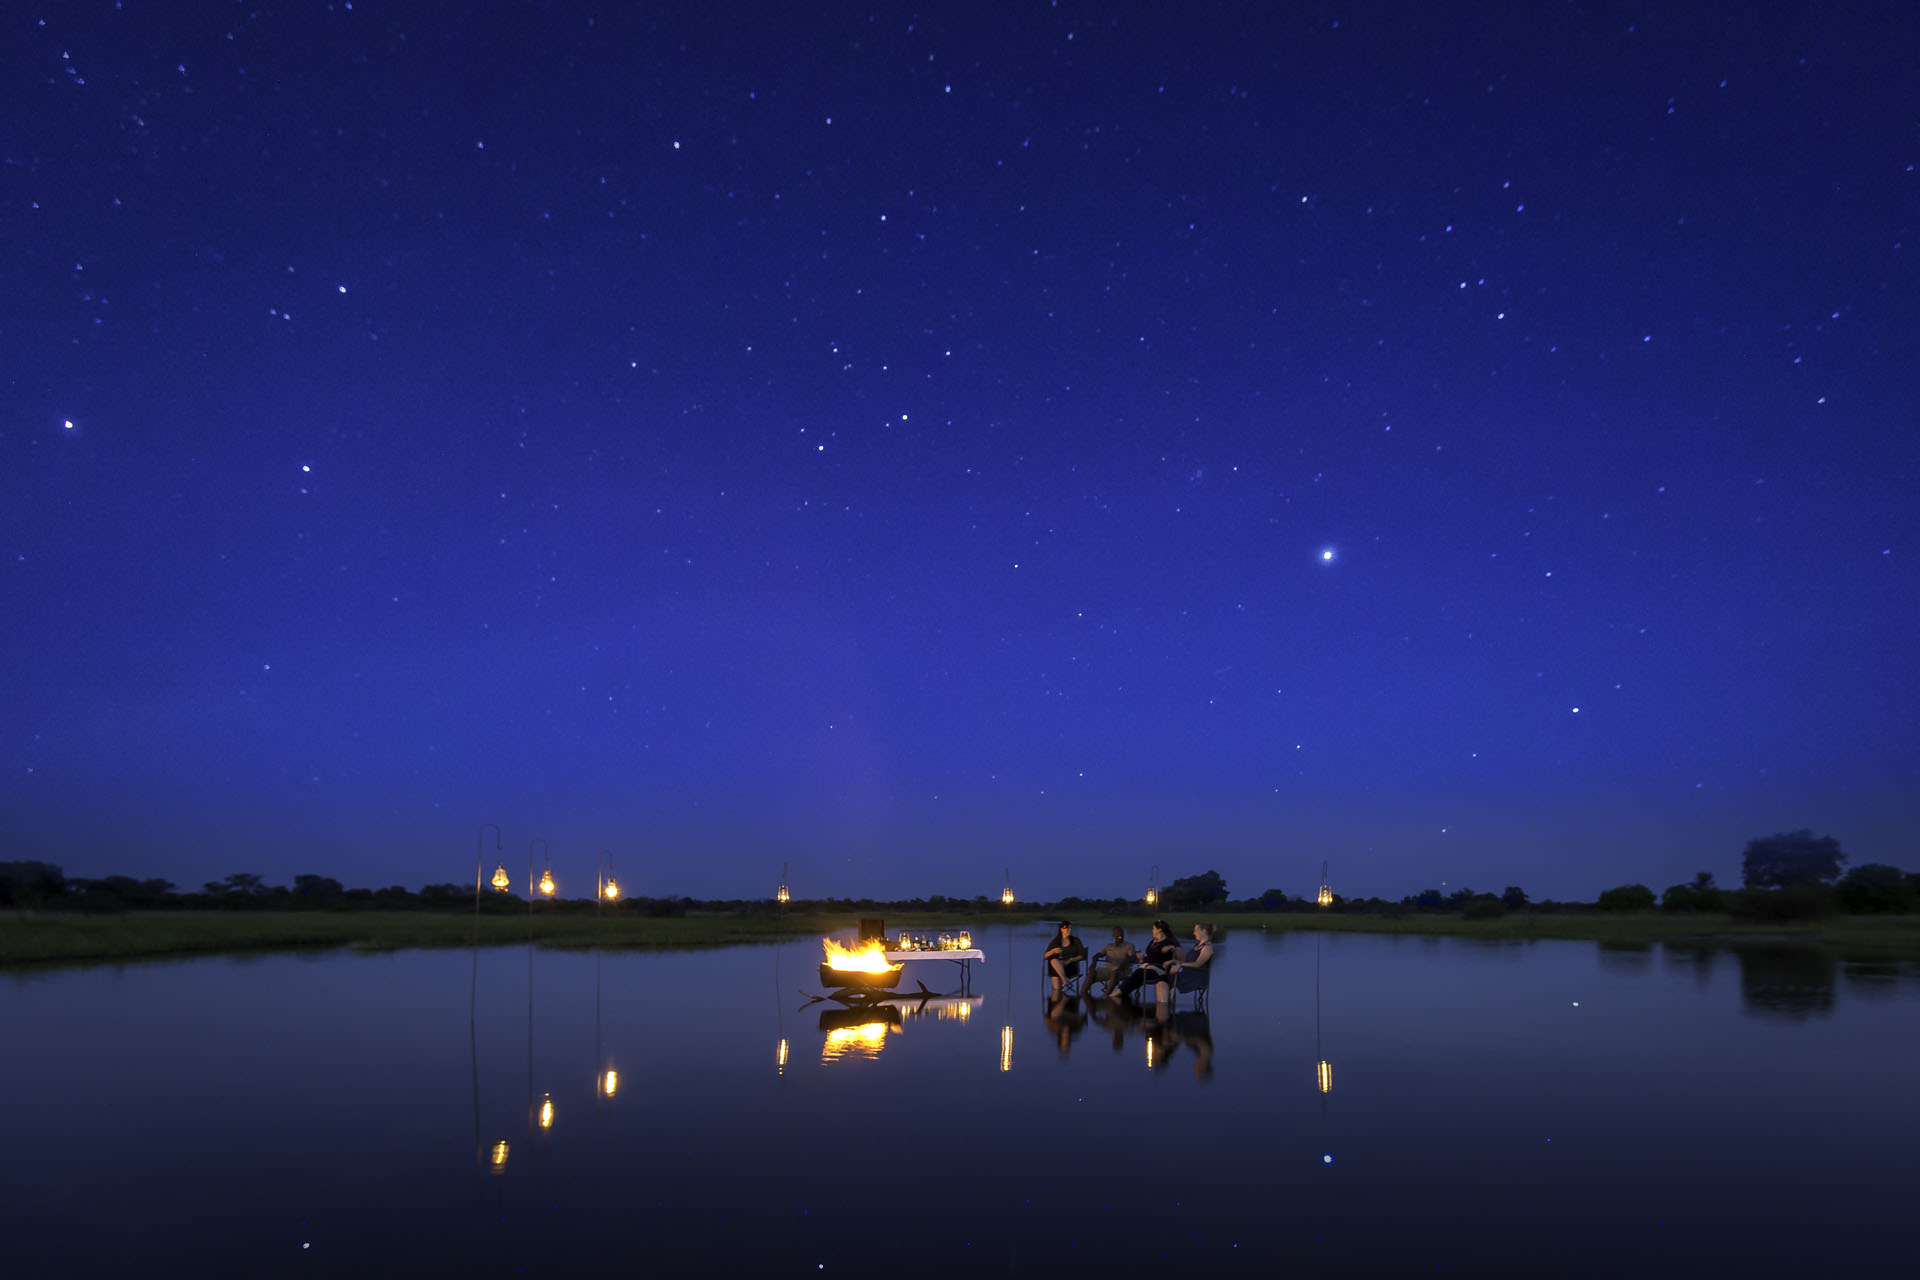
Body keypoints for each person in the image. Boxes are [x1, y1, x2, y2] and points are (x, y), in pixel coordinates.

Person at [1120, 920, 1180, 1002]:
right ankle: (1121, 996)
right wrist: (1141, 957)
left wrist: (1173, 949)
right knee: (1136, 975)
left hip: (1159, 970)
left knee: (1139, 974)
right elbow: (1150, 956)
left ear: (1159, 930)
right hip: (1148, 967)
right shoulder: (1153, 942)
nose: (1152, 930)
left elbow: (1178, 957)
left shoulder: (1169, 942)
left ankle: (1117, 995)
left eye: (1154, 928)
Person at [1087, 926, 1139, 998]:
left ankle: (1107, 996)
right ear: (1113, 936)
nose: (1120, 937)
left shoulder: (1129, 945)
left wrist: (1123, 963)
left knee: (1115, 972)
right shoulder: (1109, 946)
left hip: (1122, 970)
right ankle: (1084, 996)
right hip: (1107, 968)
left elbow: (1131, 957)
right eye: (1117, 935)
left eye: (1121, 935)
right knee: (1091, 973)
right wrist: (1093, 963)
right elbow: (1097, 955)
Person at [1170, 922, 1215, 997]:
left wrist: (1180, 965)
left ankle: (1165, 1004)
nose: (1194, 933)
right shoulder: (1197, 946)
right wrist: (1174, 961)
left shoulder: (1207, 947)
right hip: (1187, 974)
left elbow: (1197, 964)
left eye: (1196, 930)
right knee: (1165, 977)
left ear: (1204, 931)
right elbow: (1188, 962)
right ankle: (1165, 1003)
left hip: (1196, 977)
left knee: (1166, 979)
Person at [1042, 920, 1086, 996]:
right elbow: (1045, 956)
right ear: (1061, 929)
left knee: (1054, 964)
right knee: (1054, 961)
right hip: (1057, 966)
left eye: (1071, 928)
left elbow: (1082, 955)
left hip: (1071, 966)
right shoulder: (1056, 941)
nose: (1069, 930)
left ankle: (1061, 998)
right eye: (1067, 928)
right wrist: (1052, 951)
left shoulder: (1076, 940)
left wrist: (1070, 960)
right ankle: (1064, 980)